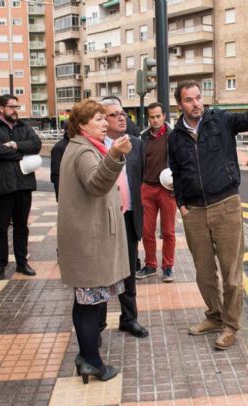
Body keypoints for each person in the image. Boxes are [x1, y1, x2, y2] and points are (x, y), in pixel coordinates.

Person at [168, 75, 248, 350]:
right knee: (204, 273)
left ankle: (231, 326)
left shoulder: (220, 120)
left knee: (232, 273)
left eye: (198, 97)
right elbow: (175, 170)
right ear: (179, 104)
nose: (196, 103)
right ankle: (214, 316)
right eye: (189, 99)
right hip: (194, 211)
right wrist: (181, 204)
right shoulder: (175, 137)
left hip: (226, 205)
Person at [58, 99, 129, 383]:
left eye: (104, 118)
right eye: (98, 119)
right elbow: (96, 184)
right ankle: (91, 361)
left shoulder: (86, 147)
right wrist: (114, 157)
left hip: (93, 239)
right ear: (82, 125)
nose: (104, 123)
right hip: (90, 242)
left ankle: (86, 355)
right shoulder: (84, 151)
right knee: (89, 304)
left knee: (91, 302)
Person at [101, 97, 149, 339]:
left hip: (129, 217)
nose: (121, 117)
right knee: (101, 273)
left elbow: (138, 177)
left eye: (122, 113)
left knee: (129, 272)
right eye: (113, 114)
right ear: (102, 120)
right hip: (103, 221)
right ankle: (97, 324)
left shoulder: (136, 144)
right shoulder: (96, 146)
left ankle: (129, 319)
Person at [0, 95, 42, 280]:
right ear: (1, 108)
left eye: (17, 106)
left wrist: (15, 145)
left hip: (23, 185)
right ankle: (0, 265)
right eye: (11, 107)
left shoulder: (23, 126)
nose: (16, 110)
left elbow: (36, 145)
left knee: (21, 227)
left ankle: (22, 263)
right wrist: (21, 154)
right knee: (0, 228)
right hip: (1, 187)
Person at [137, 102, 177, 283]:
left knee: (168, 231)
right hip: (147, 188)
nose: (155, 120)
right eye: (152, 117)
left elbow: (183, 161)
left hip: (168, 190)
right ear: (148, 118)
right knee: (147, 231)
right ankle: (150, 265)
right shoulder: (142, 138)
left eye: (158, 116)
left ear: (164, 116)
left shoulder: (174, 137)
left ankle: (167, 267)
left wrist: (179, 184)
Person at [50, 121, 70, 201]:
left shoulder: (79, 145)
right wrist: (60, 195)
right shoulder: (59, 147)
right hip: (65, 192)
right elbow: (56, 174)